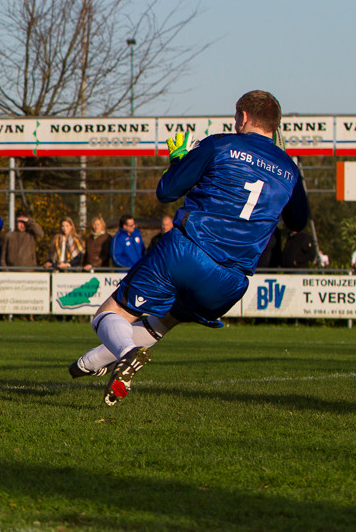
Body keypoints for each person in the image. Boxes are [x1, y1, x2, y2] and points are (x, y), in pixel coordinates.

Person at [69, 91, 308, 405]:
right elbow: (298, 221)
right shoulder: (290, 169)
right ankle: (90, 362)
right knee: (165, 320)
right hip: (231, 282)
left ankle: (126, 353)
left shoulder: (220, 144)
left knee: (110, 314)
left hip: (188, 251)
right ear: (274, 125)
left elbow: (167, 191)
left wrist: (179, 161)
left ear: (244, 117)